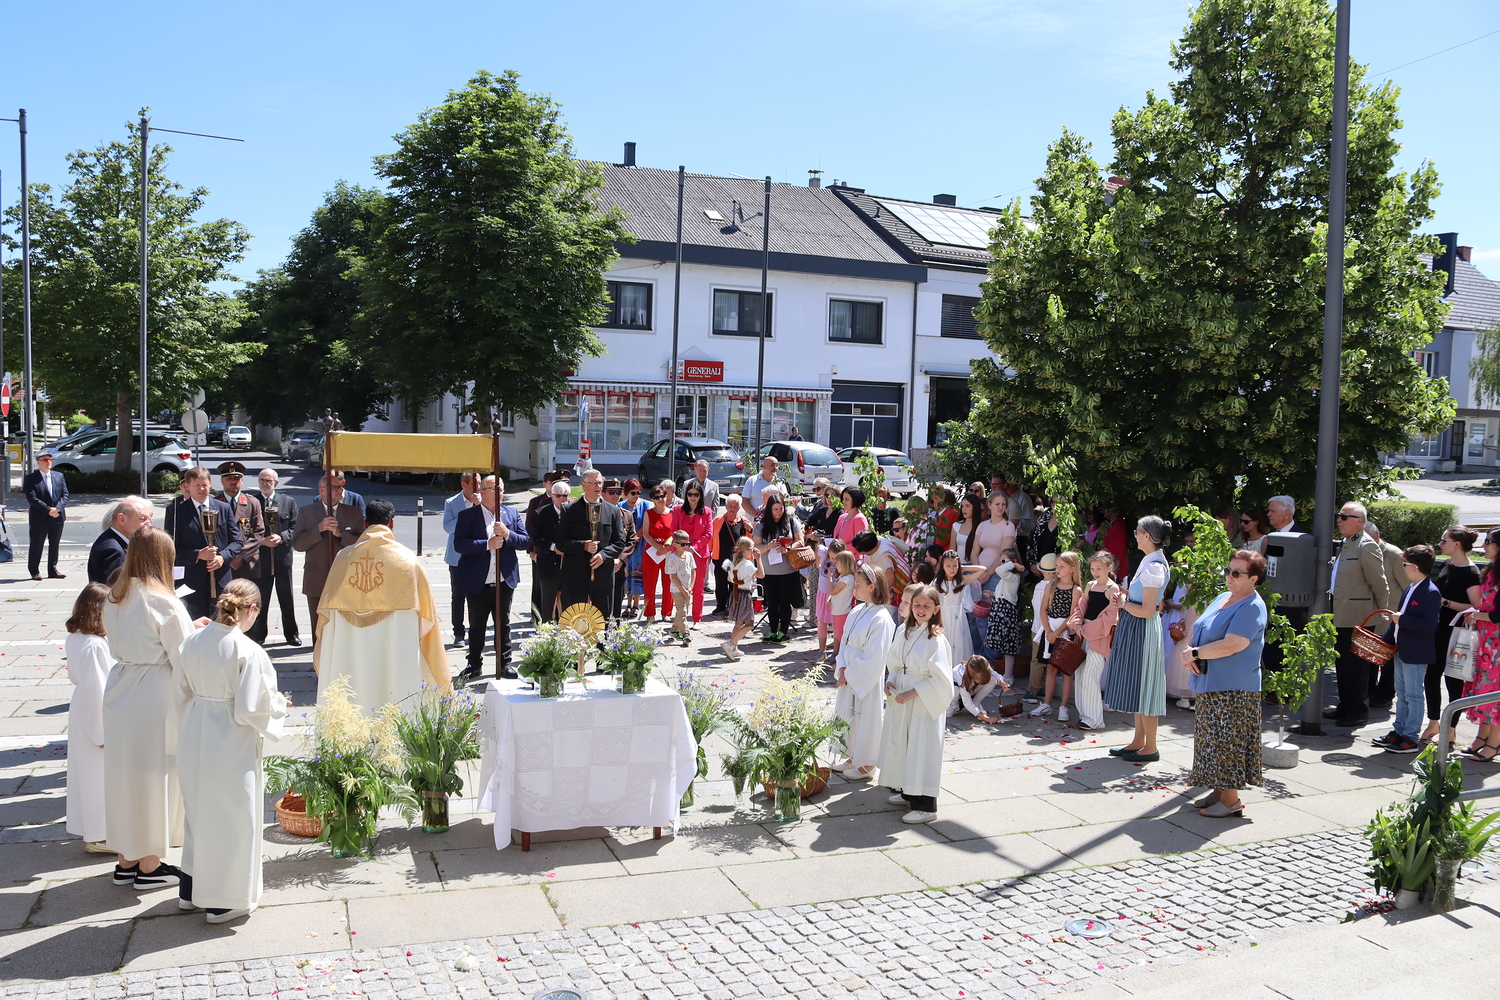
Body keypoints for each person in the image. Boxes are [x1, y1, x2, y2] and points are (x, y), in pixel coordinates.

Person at [175, 579, 288, 924]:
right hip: (229, 736)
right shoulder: (247, 649)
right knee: (233, 817)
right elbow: (252, 707)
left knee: (198, 811)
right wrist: (280, 704)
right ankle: (223, 902)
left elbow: (179, 690)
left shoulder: (192, 640)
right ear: (251, 609)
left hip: (195, 727)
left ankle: (190, 890)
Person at [101, 527, 198, 894]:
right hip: (154, 691)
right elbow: (183, 657)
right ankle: (150, 865)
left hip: (120, 687)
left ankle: (126, 858)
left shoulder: (115, 596)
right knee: (154, 776)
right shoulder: (163, 601)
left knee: (124, 775)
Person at [314, 499, 450, 713]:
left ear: (365, 523)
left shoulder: (343, 558)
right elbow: (427, 616)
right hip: (395, 642)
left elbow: (327, 615)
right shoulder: (407, 560)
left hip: (351, 643)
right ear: (392, 523)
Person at [1183, 549, 1269, 817]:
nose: (1229, 576)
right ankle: (1219, 791)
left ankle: (1231, 801)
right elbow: (1202, 629)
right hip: (1210, 682)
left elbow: (1233, 644)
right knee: (1211, 741)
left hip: (1234, 688)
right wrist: (1191, 652)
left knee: (1227, 744)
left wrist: (1195, 653)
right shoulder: (1223, 597)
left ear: (1253, 579)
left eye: (1236, 573)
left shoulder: (1252, 606)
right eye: (1228, 570)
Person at [878, 584, 954, 824]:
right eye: (917, 605)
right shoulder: (905, 630)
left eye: (926, 606)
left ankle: (926, 805)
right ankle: (908, 790)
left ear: (936, 610)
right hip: (902, 694)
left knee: (921, 747)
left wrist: (914, 692)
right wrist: (891, 681)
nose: (921, 610)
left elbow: (942, 681)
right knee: (905, 744)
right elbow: (895, 662)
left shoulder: (936, 639)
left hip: (921, 701)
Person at [1104, 516, 1172, 763]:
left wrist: (1123, 602)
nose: (1135, 535)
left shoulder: (1155, 566)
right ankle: (1138, 741)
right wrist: (1124, 600)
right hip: (1136, 627)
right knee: (1137, 685)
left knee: (1146, 686)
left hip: (1143, 629)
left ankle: (1150, 746)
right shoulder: (1149, 561)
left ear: (1147, 536)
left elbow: (1148, 610)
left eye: (1137, 531)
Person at [454, 476, 532, 683]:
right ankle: (474, 664)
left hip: (504, 581)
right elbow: (459, 545)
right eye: (494, 489)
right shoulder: (468, 516)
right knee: (477, 625)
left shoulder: (511, 513)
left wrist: (508, 534)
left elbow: (525, 542)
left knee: (503, 623)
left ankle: (504, 663)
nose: (499, 493)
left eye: (502, 489)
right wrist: (486, 544)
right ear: (482, 491)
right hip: (477, 581)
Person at [1366, 545, 1441, 754]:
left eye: (1405, 564)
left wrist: (1403, 619)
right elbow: (1396, 619)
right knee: (1402, 692)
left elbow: (1430, 625)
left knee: (1413, 695)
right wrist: (1385, 642)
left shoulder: (1431, 592)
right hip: (1402, 649)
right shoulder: (1410, 588)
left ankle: (1410, 737)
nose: (1403, 567)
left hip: (1416, 653)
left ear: (1414, 567)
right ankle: (1399, 731)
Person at [1326, 502, 1391, 727]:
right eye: (1339, 515)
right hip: (1341, 615)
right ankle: (1345, 706)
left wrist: (1381, 610)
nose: (1339, 520)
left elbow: (1379, 583)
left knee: (1357, 668)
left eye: (1345, 516)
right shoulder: (1346, 544)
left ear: (1360, 522)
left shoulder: (1366, 546)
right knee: (1343, 665)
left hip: (1359, 617)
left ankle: (1357, 711)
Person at [66, 582, 114, 853]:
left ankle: (97, 833)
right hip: (95, 715)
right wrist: (101, 733)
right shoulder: (95, 644)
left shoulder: (77, 637)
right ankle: (100, 836)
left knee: (88, 776)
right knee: (98, 777)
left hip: (81, 712)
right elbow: (95, 691)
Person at [833, 566, 895, 778]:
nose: (855, 589)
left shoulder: (881, 618)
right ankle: (853, 756)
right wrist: (842, 666)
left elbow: (874, 654)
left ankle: (867, 764)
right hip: (848, 671)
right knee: (849, 715)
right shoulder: (857, 610)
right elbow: (844, 641)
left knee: (866, 716)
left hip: (865, 676)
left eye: (858, 585)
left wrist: (849, 674)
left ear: (872, 586)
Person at [292, 475, 366, 637]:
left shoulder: (354, 513)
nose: (340, 490)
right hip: (316, 578)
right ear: (322, 491)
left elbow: (362, 544)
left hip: (346, 579)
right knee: (318, 627)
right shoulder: (306, 512)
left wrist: (341, 534)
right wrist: (318, 529)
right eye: (335, 487)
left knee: (344, 628)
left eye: (341, 486)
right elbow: (298, 544)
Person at [165, 468, 243, 621]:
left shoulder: (223, 508)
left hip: (221, 579)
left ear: (210, 483)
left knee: (223, 622)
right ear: (187, 486)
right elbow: (170, 548)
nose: (202, 489)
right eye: (197, 485)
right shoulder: (177, 512)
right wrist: (198, 554)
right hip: (192, 581)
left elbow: (237, 541)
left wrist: (222, 557)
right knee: (196, 624)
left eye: (204, 485)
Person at [1426, 526, 1482, 743]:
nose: (1440, 544)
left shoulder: (1471, 572)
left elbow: (1476, 606)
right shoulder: (1447, 564)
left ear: (1457, 544)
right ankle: (1433, 722)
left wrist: (1446, 603)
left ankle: (1450, 729)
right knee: (1431, 676)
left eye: (1444, 540)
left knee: (1453, 680)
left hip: (1457, 633)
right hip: (1439, 628)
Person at [555, 470, 626, 619]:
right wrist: (583, 546)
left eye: (600, 483)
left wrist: (604, 555)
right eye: (594, 483)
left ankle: (603, 636)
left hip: (603, 574)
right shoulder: (569, 510)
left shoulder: (612, 511)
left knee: (603, 619)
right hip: (576, 574)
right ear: (583, 485)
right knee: (575, 619)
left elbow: (619, 542)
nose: (598, 486)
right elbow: (561, 542)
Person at [1457, 530, 1500, 760]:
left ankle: (1495, 742)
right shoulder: (1491, 570)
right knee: (1481, 688)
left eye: (1488, 542)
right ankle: (1482, 737)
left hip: (1497, 645)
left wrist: (1478, 616)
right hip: (1486, 642)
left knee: (1493, 692)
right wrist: (1476, 614)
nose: (1483, 546)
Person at [1069, 551, 1121, 731]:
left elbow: (1111, 618)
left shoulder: (1113, 589)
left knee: (1091, 676)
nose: (1095, 572)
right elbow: (1080, 607)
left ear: (1109, 567)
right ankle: (1085, 714)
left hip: (1100, 637)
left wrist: (1086, 629)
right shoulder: (1090, 585)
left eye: (1099, 568)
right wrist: (1077, 625)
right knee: (1081, 674)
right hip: (1083, 633)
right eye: (1092, 568)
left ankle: (1094, 719)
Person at [1031, 551, 1084, 721]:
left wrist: (1057, 632)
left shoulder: (1076, 590)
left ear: (1072, 569)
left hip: (1064, 633)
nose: (1058, 569)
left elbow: (1072, 615)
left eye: (1062, 566)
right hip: (1050, 631)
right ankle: (1047, 704)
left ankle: (1063, 707)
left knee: (1066, 670)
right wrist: (1048, 631)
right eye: (1057, 566)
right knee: (1050, 668)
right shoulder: (1051, 585)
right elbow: (1043, 610)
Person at [251, 469, 300, 647]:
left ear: (276, 483)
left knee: (286, 597)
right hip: (261, 558)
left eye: (269, 481)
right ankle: (258, 635)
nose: (265, 484)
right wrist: (261, 541)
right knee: (260, 598)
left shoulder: (288, 501)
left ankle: (291, 634)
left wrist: (282, 537)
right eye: (262, 480)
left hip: (282, 558)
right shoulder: (253, 501)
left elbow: (296, 527)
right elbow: (247, 528)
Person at [1365, 520, 1406, 709]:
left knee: (1387, 660)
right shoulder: (1361, 551)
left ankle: (1386, 693)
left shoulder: (1394, 555)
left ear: (1376, 537)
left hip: (1389, 617)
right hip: (1370, 614)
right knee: (1369, 658)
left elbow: (1407, 586)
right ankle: (1369, 691)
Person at [755, 495, 805, 643]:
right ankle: (772, 631)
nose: (778, 512)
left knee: (784, 602)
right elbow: (755, 547)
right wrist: (768, 546)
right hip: (769, 571)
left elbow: (800, 541)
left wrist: (788, 548)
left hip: (788, 571)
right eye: (775, 509)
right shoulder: (760, 525)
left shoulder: (791, 521)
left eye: (781, 509)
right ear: (769, 510)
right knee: (771, 603)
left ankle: (783, 632)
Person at [213, 461, 265, 587]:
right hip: (222, 563)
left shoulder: (252, 503)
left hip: (247, 563)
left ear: (241, 480)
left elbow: (259, 532)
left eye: (236, 478)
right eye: (229, 478)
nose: (233, 482)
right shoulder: (213, 503)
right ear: (222, 481)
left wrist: (241, 556)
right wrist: (226, 556)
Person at [442, 473, 480, 646]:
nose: (478, 489)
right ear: (464, 485)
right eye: (474, 485)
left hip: (477, 555)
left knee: (476, 595)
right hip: (457, 556)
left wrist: (479, 507)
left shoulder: (483, 501)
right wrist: (467, 515)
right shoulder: (451, 503)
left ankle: (475, 630)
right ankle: (458, 632)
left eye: (479, 484)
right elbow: (448, 526)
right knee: (458, 595)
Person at [671, 482, 713, 627]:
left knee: (698, 588)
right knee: (679, 586)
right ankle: (681, 618)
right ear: (686, 495)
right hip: (680, 553)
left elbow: (709, 534)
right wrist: (682, 546)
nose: (693, 497)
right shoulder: (678, 510)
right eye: (690, 494)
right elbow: (673, 531)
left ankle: (696, 619)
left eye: (696, 494)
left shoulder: (707, 511)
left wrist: (694, 547)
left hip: (699, 553)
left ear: (701, 496)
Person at [934, 550, 986, 667]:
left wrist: (963, 568)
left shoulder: (962, 580)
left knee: (959, 643)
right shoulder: (937, 582)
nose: (952, 569)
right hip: (943, 617)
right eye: (948, 566)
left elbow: (982, 569)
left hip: (958, 617)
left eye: (955, 565)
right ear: (942, 566)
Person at [982, 547, 1026, 687]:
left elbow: (999, 570)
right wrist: (993, 595)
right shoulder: (1006, 577)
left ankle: (1008, 675)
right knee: (1002, 644)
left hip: (1005, 612)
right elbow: (1004, 593)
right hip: (999, 609)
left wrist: (1014, 565)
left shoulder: (1013, 577)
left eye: (1004, 561)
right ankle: (1006, 674)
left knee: (1008, 645)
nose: (1001, 564)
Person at [23, 450, 69, 580]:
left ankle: (53, 570)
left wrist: (57, 509)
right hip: (40, 517)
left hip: (57, 516)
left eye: (50, 460)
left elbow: (65, 495)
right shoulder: (31, 478)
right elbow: (32, 498)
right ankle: (34, 571)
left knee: (55, 544)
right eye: (45, 460)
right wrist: (48, 510)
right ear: (38, 462)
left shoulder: (59, 476)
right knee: (37, 544)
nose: (48, 462)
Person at [530, 481, 570, 624]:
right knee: (547, 605)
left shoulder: (574, 512)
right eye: (558, 496)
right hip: (548, 565)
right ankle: (546, 632)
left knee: (568, 605)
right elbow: (535, 537)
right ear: (552, 497)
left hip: (569, 566)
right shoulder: (541, 513)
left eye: (565, 495)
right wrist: (553, 547)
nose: (562, 499)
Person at [89, 496, 153, 585]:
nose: (148, 525)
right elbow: (111, 588)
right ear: (122, 519)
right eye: (142, 519)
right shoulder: (113, 550)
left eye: (149, 518)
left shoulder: (111, 539)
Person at [720, 537, 764, 661]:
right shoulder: (748, 564)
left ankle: (733, 649)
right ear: (749, 550)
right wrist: (759, 559)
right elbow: (761, 575)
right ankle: (731, 644)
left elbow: (730, 579)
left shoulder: (735, 561)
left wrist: (746, 581)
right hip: (744, 596)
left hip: (735, 594)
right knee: (749, 624)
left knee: (739, 623)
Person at [711, 495, 754, 615]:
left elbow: (750, 540)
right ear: (725, 506)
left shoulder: (744, 521)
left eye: (735, 506)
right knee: (721, 583)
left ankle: (732, 607)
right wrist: (709, 552)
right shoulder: (717, 520)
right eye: (730, 506)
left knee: (734, 584)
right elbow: (711, 537)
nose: (732, 509)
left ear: (739, 508)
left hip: (738, 560)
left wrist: (750, 530)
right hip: (720, 557)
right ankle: (721, 606)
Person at [605, 478, 641, 620]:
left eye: (618, 492)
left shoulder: (627, 515)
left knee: (617, 603)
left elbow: (632, 540)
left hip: (619, 567)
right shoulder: (596, 513)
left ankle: (614, 629)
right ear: (603, 493)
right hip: (601, 564)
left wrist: (620, 560)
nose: (615, 495)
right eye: (611, 492)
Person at [852, 528, 911, 610]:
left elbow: (889, 581)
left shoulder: (883, 555)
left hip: (897, 592)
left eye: (859, 550)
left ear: (869, 549)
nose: (856, 552)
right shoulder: (876, 540)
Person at [642, 485, 676, 621]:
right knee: (649, 584)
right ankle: (649, 613)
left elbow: (675, 533)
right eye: (657, 497)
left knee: (668, 583)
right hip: (652, 553)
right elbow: (646, 534)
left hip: (668, 552)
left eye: (662, 496)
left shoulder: (673, 513)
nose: (660, 499)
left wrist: (666, 547)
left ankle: (666, 613)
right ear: (652, 499)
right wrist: (658, 547)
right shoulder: (649, 513)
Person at [618, 478, 648, 616]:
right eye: (633, 493)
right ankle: (627, 605)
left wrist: (635, 536)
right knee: (626, 574)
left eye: (638, 492)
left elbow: (647, 525)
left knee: (638, 573)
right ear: (626, 493)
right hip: (625, 546)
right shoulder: (620, 506)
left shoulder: (646, 505)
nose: (636, 495)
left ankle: (636, 604)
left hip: (640, 546)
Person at [948, 655, 1004, 724]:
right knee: (955, 688)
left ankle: (975, 703)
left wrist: (1002, 682)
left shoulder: (982, 667)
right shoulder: (961, 676)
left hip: (968, 691)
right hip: (953, 696)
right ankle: (953, 706)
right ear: (973, 676)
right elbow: (967, 702)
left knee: (993, 680)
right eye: (979, 680)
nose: (980, 683)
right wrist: (985, 718)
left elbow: (996, 675)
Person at [665, 529, 696, 645]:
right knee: (682, 611)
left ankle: (674, 630)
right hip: (677, 589)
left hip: (687, 589)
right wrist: (682, 590)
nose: (686, 546)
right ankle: (685, 634)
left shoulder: (689, 555)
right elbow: (673, 577)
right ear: (675, 544)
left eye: (687, 544)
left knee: (681, 612)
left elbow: (693, 571)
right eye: (683, 544)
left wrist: (691, 587)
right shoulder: (672, 558)